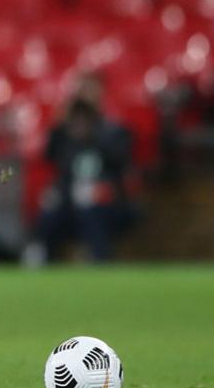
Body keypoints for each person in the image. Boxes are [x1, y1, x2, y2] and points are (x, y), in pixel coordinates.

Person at [25, 72, 134, 263]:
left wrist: (91, 133)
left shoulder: (114, 131)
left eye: (88, 90)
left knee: (91, 212)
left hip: (105, 203)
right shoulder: (63, 132)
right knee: (51, 212)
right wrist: (63, 120)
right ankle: (38, 257)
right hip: (69, 201)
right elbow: (48, 155)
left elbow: (120, 162)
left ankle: (100, 261)